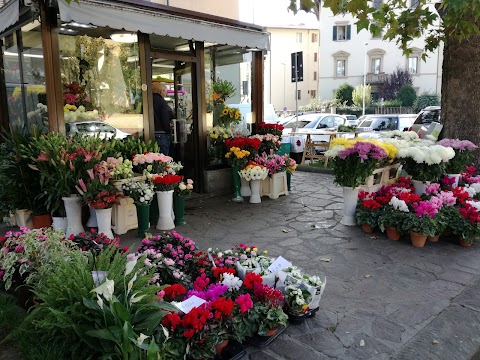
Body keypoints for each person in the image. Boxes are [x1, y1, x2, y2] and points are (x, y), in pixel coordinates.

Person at [152, 81, 174, 155]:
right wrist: (169, 130)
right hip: (161, 135)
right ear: (161, 91)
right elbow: (164, 119)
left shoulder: (147, 101)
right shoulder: (162, 102)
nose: (166, 94)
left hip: (150, 134)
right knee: (163, 159)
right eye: (165, 91)